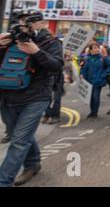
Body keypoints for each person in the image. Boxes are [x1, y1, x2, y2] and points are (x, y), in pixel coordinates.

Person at [0, 11, 63, 186]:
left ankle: (3, 181)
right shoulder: (8, 41)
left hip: (35, 98)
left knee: (19, 141)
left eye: (28, 24)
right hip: (7, 97)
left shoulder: (51, 42)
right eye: (20, 25)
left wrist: (36, 51)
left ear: (40, 24)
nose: (24, 29)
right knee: (19, 136)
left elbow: (57, 66)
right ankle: (33, 163)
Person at [80, 42, 110, 119]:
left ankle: (95, 112)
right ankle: (92, 111)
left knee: (95, 96)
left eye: (98, 47)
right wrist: (81, 74)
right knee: (90, 97)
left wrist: (104, 74)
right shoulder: (86, 58)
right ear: (90, 50)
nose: (97, 49)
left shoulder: (103, 58)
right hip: (88, 81)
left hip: (98, 81)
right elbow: (83, 68)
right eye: (95, 48)